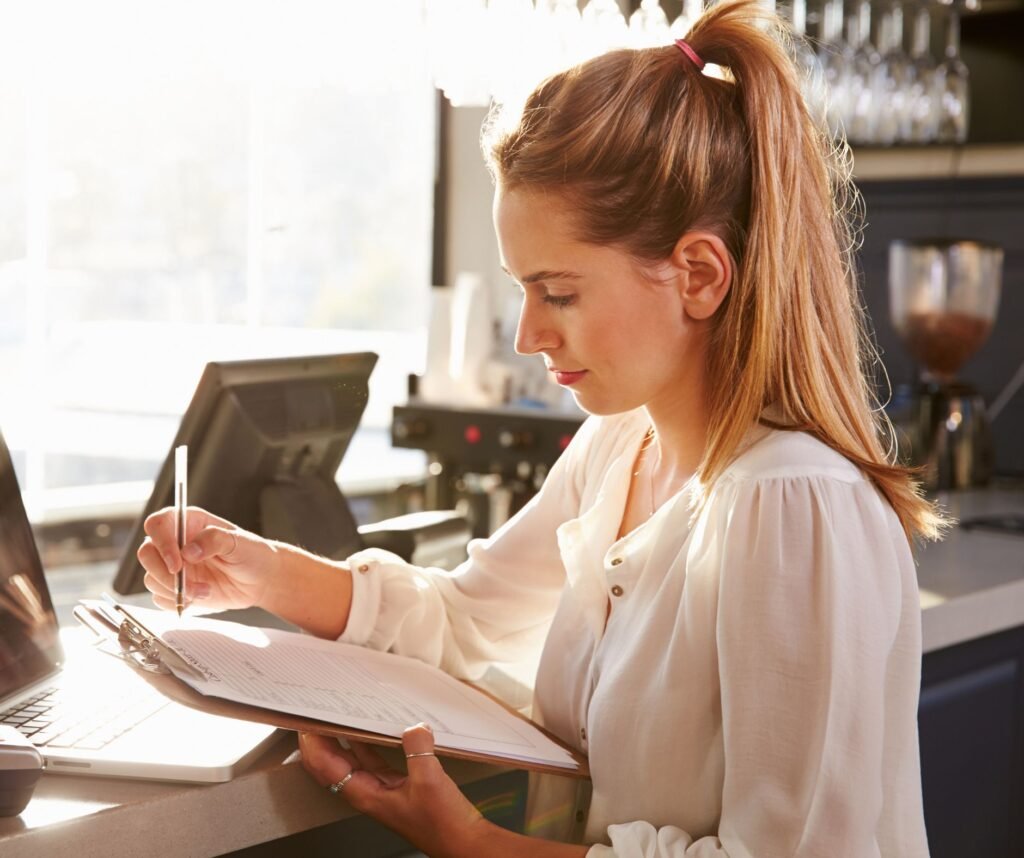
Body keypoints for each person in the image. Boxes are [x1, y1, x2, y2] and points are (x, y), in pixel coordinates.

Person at [137, 1, 946, 855]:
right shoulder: (621, 447)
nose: (529, 334)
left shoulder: (790, 505)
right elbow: (464, 621)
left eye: (558, 292)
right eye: (522, 288)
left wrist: (476, 846)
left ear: (699, 276)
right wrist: (260, 573)